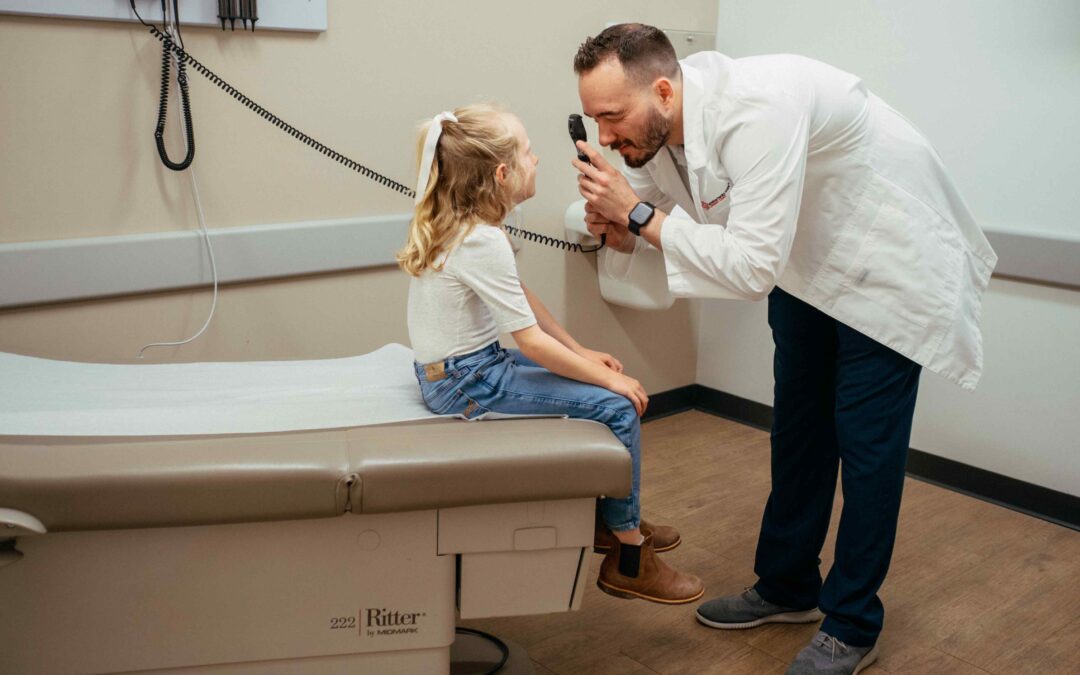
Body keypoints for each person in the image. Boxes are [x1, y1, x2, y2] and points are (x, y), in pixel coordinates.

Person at [571, 24, 997, 674]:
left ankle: (853, 623)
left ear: (662, 89)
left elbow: (738, 266)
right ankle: (787, 585)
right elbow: (663, 215)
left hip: (883, 266)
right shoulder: (662, 130)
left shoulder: (758, 109)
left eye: (612, 116)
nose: (604, 136)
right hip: (802, 265)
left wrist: (636, 217)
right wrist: (626, 225)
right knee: (798, 429)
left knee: (865, 447)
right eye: (594, 119)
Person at [398, 103, 704, 604]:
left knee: (597, 385)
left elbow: (523, 302)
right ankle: (629, 556)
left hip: (459, 369)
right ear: (502, 174)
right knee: (619, 407)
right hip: (463, 383)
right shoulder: (481, 241)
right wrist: (609, 381)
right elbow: (530, 342)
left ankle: (612, 520)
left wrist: (582, 352)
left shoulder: (468, 225)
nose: (537, 159)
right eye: (528, 152)